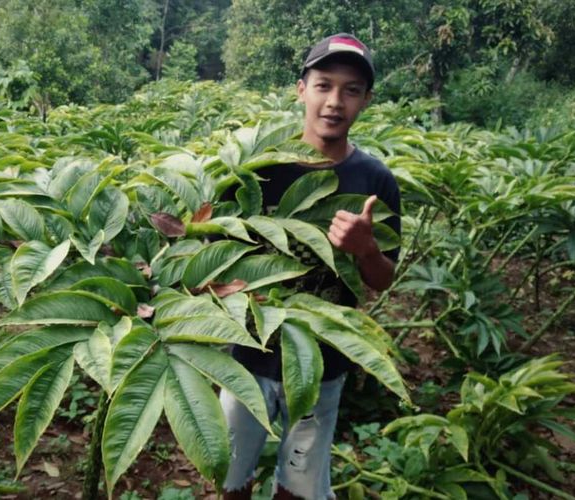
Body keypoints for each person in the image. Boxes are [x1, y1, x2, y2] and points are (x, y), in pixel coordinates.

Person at [220, 33, 402, 500]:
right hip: (247, 354)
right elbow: (212, 259)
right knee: (229, 475)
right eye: (323, 85)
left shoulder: (375, 180)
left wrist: (365, 249)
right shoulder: (260, 166)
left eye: (351, 89)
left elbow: (382, 281)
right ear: (301, 89)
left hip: (322, 363)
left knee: (299, 488)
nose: (335, 101)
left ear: (366, 100)